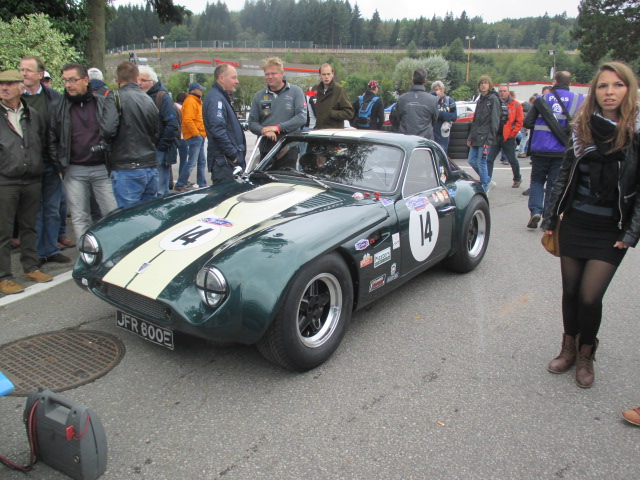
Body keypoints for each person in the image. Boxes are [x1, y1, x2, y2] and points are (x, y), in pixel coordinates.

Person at [541, 61, 640, 389]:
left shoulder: (636, 131)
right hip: (576, 222)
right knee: (570, 291)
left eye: (617, 85)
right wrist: (551, 217)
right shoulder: (581, 126)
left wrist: (631, 232)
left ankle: (587, 352)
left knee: (588, 296)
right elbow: (565, 174)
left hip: (612, 228)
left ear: (629, 89)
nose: (610, 92)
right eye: (603, 86)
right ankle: (568, 347)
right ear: (594, 91)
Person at [48, 63, 119, 238]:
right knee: (80, 217)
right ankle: (87, 257)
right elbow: (51, 139)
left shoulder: (101, 103)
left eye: (72, 80)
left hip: (102, 168)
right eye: (65, 80)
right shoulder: (58, 107)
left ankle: (115, 253)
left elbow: (114, 132)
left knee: (113, 214)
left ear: (86, 80)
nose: (68, 85)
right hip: (73, 170)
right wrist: (60, 167)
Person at [0, 69, 52, 294]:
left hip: (31, 178)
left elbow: (41, 141)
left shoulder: (31, 114)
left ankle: (30, 266)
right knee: (3, 232)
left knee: (29, 226)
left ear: (21, 87)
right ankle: (4, 276)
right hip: (4, 180)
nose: (4, 88)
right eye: (1, 84)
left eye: (10, 84)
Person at [19, 55, 71, 265]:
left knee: (51, 208)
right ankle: (35, 254)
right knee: (31, 211)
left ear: (40, 75)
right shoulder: (13, 97)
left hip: (50, 162)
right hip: (25, 164)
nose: (23, 74)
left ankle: (50, 249)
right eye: (21, 70)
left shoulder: (55, 98)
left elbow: (63, 130)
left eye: (28, 70)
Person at [524, 71, 585, 228]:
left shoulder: (542, 99)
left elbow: (528, 122)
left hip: (540, 147)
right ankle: (548, 216)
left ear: (555, 81)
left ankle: (535, 211)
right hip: (562, 149)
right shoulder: (579, 99)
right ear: (569, 82)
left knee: (537, 180)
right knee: (553, 183)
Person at [107, 61, 159, 208]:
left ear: (117, 80)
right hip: (149, 163)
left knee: (128, 218)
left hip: (126, 164)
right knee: (148, 214)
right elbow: (157, 129)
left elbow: (107, 129)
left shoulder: (115, 96)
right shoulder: (148, 99)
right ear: (137, 79)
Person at [248, 57, 307, 159]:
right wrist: (263, 130)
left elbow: (301, 117)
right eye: (267, 74)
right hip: (266, 148)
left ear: (282, 73)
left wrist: (277, 128)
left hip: (289, 148)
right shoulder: (259, 96)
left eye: (273, 73)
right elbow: (252, 123)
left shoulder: (296, 92)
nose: (270, 77)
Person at [137, 66, 179, 197]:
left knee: (160, 191)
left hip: (158, 149)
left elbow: (172, 124)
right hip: (145, 150)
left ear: (153, 82)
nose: (139, 83)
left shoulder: (162, 97)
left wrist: (161, 146)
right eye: (138, 80)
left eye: (143, 80)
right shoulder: (141, 96)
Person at [203, 64, 246, 185]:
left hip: (226, 162)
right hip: (224, 164)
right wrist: (233, 155)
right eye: (233, 77)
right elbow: (218, 130)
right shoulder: (217, 99)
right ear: (221, 78)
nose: (237, 81)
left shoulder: (220, 97)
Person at [466, 75, 501, 192]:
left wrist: (489, 140)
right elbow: (475, 120)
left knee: (481, 162)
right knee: (471, 160)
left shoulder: (493, 99)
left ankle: (485, 187)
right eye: (481, 83)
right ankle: (487, 180)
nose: (483, 85)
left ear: (489, 84)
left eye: (486, 83)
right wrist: (470, 137)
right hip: (476, 136)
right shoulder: (480, 99)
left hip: (485, 137)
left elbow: (495, 121)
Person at [486, 84, 524, 188]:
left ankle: (517, 179)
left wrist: (512, 134)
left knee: (512, 159)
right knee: (489, 159)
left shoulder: (516, 104)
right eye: (500, 91)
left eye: (504, 91)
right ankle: (487, 180)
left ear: (508, 92)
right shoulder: (495, 103)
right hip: (496, 136)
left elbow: (519, 122)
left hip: (508, 137)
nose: (502, 93)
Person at [174, 81, 207, 192]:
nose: (201, 91)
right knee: (193, 162)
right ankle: (180, 184)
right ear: (195, 90)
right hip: (195, 136)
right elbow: (188, 119)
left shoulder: (195, 101)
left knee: (201, 162)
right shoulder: (191, 101)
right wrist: (196, 134)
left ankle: (202, 183)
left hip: (198, 135)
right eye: (200, 89)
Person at [390, 68, 438, 140]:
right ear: (425, 81)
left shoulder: (402, 99)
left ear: (412, 80)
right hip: (425, 141)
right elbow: (434, 120)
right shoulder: (433, 100)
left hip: (405, 140)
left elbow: (396, 119)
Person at [313, 63, 354, 130]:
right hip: (320, 132)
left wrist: (332, 113)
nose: (326, 77)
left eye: (328, 74)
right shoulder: (319, 90)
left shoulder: (339, 90)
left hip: (333, 133)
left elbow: (349, 113)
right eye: (324, 74)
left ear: (332, 74)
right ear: (320, 75)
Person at [430, 80, 457, 152]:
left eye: (440, 89)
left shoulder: (449, 100)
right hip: (431, 133)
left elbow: (454, 117)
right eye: (436, 90)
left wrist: (440, 114)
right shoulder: (429, 100)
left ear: (443, 90)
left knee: (442, 154)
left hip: (443, 134)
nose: (438, 91)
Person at [174, 92, 188, 177]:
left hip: (174, 136)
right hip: (182, 136)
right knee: (184, 159)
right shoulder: (183, 109)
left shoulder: (172, 106)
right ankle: (182, 179)